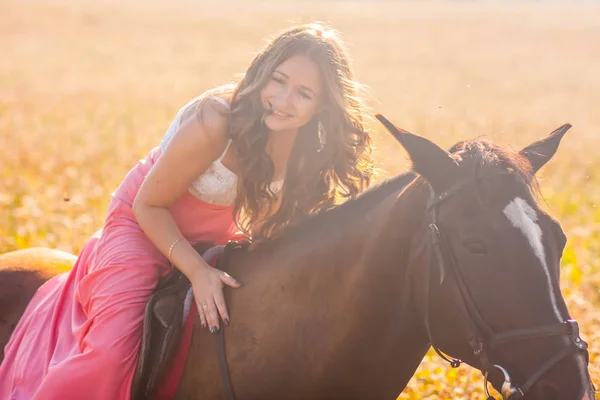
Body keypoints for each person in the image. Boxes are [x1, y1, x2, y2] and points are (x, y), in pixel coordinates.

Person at [0, 22, 374, 399]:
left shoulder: (299, 145)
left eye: (304, 94)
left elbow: (265, 224)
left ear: (322, 106)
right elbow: (148, 204)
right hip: (143, 224)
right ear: (263, 71)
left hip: (211, 236)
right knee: (112, 352)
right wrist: (197, 272)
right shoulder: (216, 120)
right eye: (278, 80)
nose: (283, 99)